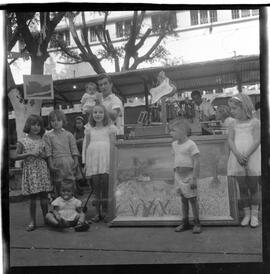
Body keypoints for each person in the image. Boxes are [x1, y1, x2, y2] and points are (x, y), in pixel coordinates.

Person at [12, 114, 52, 231]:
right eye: (33, 124)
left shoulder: (42, 140)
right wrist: (29, 154)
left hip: (42, 170)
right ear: (28, 125)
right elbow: (15, 156)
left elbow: (46, 155)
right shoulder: (22, 141)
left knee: (44, 197)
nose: (36, 127)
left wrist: (42, 155)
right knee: (33, 198)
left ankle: (46, 218)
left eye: (39, 125)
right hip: (31, 171)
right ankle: (32, 221)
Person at [227, 94, 261, 228]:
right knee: (242, 187)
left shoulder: (255, 122)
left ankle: (254, 215)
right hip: (237, 158)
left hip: (251, 156)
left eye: (234, 108)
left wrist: (245, 155)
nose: (232, 111)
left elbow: (257, 140)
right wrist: (237, 154)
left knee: (253, 187)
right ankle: (246, 214)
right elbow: (230, 139)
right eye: (231, 108)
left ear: (244, 107)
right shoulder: (232, 123)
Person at [84, 104, 117, 222]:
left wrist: (113, 161)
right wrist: (86, 163)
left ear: (105, 114)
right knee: (96, 188)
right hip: (94, 161)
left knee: (106, 188)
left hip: (106, 160)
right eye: (95, 112)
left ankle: (107, 212)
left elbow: (113, 146)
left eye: (100, 112)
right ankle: (97, 213)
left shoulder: (110, 128)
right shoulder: (89, 129)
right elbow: (86, 146)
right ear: (92, 115)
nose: (98, 115)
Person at [169, 119, 202, 234]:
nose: (170, 133)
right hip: (178, 176)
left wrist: (194, 178)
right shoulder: (174, 144)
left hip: (189, 176)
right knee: (183, 200)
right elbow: (176, 158)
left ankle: (197, 223)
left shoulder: (191, 144)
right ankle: (185, 222)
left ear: (182, 131)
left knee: (192, 199)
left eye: (173, 131)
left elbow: (197, 161)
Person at [44, 110, 80, 197]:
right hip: (56, 163)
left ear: (63, 121)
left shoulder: (69, 135)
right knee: (58, 184)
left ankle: (73, 206)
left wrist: (76, 162)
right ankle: (60, 206)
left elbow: (74, 149)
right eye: (53, 121)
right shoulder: (48, 136)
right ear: (50, 122)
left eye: (58, 120)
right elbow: (48, 152)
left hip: (69, 162)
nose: (56, 123)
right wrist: (51, 164)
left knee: (71, 184)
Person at [73, 116, 86, 195]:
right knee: (80, 169)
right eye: (77, 123)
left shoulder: (86, 131)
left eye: (79, 123)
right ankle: (81, 184)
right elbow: (73, 142)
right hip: (79, 153)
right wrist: (79, 140)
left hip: (85, 152)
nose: (78, 125)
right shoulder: (75, 133)